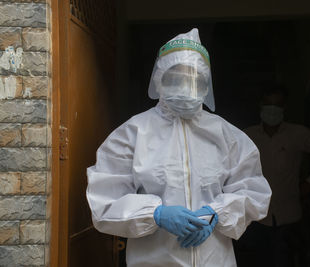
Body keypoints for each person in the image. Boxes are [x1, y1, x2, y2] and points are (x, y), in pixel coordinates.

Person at [86, 28, 271, 267]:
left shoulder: (226, 135)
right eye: (175, 79)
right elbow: (104, 201)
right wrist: (155, 214)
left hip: (215, 260)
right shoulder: (132, 134)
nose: (185, 87)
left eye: (195, 79)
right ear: (158, 80)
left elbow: (254, 191)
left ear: (206, 85)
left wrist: (217, 213)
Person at [238, 84, 310, 267]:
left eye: (277, 104)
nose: (272, 109)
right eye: (268, 103)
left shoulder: (298, 134)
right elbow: (233, 169)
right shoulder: (247, 136)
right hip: (255, 218)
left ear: (284, 107)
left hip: (289, 217)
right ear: (260, 105)